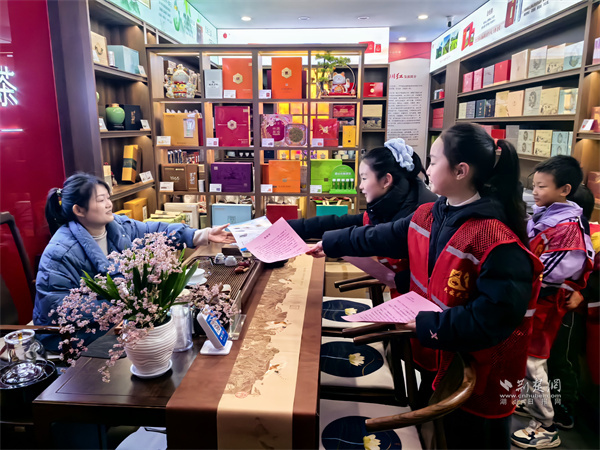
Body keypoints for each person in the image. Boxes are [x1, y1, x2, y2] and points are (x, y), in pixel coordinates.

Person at [307, 123, 543, 449]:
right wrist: (330, 243)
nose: (426, 169)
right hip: (440, 353)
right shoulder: (433, 213)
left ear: (460, 171)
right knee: (435, 432)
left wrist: (426, 324)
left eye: (432, 161)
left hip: (480, 375)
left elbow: (493, 319)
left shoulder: (495, 239)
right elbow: (382, 235)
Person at [34, 173, 234, 348]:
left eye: (108, 197)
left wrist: (201, 234)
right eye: (101, 200)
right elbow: (57, 305)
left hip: (123, 320)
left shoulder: (119, 226)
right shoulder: (60, 252)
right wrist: (125, 302)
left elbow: (156, 231)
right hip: (79, 335)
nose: (109, 204)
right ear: (79, 210)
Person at [511, 157, 594, 449]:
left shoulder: (568, 227)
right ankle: (533, 404)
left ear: (565, 189)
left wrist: (513, 274)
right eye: (534, 185)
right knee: (528, 360)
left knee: (534, 362)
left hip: (545, 303)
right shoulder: (548, 215)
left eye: (542, 187)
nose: (534, 192)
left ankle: (546, 425)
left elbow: (548, 273)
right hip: (534, 300)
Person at [289, 138, 436, 293]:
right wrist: (293, 228)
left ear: (386, 180)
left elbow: (377, 238)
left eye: (364, 178)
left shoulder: (420, 214)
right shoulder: (391, 206)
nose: (360, 186)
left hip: (420, 302)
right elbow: (346, 222)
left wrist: (330, 244)